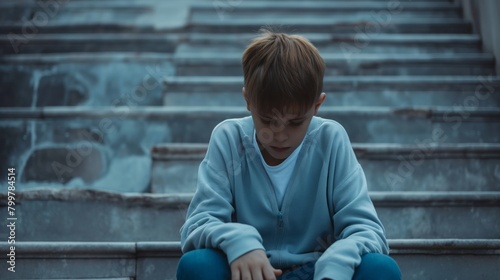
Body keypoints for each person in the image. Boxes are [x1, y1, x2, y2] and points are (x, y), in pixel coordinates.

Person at [177, 29, 401, 280]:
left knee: (381, 269)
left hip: (320, 273)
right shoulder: (228, 139)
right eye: (268, 120)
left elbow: (369, 230)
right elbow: (196, 227)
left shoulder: (331, 139)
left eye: (295, 122)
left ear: (317, 106)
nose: (280, 135)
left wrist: (338, 259)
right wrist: (239, 242)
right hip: (249, 271)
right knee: (197, 265)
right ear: (248, 100)